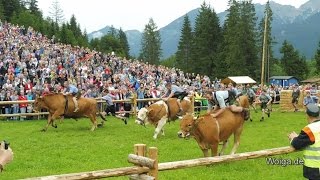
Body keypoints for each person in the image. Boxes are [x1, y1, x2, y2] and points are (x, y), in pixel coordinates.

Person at [288, 104, 320, 180]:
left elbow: (297, 144)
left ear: (307, 115)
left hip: (315, 168)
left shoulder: (310, 129)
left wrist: (293, 138)